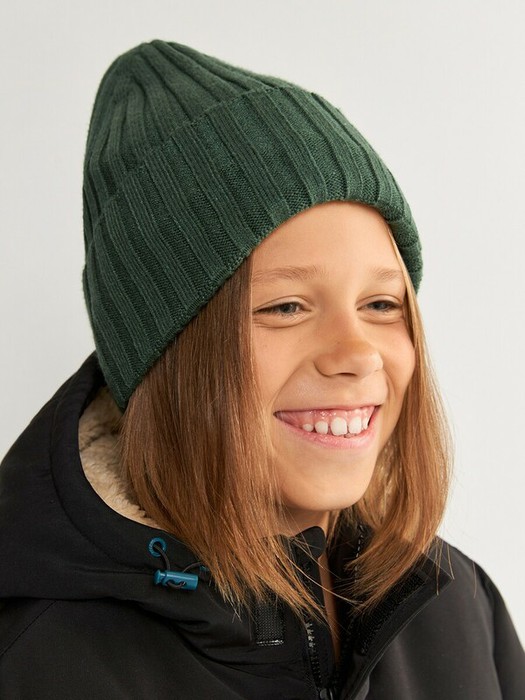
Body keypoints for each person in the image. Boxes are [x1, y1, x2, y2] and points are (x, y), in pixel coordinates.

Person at [0, 40, 523, 700]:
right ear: (167, 353)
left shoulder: (459, 606)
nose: (356, 353)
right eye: (285, 307)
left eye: (381, 304)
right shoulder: (40, 661)